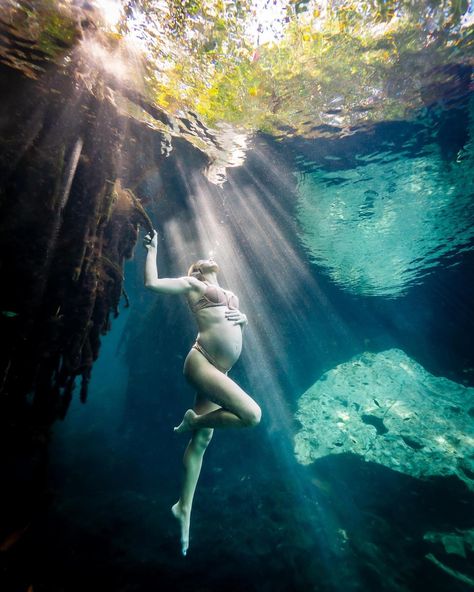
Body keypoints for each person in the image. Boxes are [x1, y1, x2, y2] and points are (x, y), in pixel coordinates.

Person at [143, 229, 262, 556]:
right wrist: (153, 249)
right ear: (195, 271)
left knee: (203, 443)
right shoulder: (194, 285)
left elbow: (233, 325)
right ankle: (194, 421)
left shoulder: (230, 292)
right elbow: (152, 284)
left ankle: (184, 510)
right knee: (252, 416)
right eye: (200, 261)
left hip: (218, 369)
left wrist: (246, 319)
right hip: (202, 363)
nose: (208, 257)